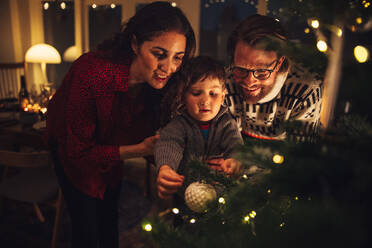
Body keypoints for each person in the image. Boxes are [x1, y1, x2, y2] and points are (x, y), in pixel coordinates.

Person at [44, 2, 195, 248]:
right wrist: (138, 150)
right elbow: (78, 152)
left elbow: (155, 141)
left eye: (177, 58)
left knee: (108, 220)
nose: (168, 68)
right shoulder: (91, 72)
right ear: (135, 44)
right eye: (159, 54)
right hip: (72, 154)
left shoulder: (163, 86)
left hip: (111, 156)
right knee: (86, 231)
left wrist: (172, 165)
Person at [155, 56, 243, 200]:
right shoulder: (179, 125)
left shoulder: (227, 124)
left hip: (220, 195)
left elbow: (236, 146)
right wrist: (166, 168)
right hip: (186, 195)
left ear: (222, 97)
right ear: (183, 96)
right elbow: (169, 143)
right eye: (196, 93)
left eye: (213, 94)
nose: (205, 101)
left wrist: (234, 161)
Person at [225, 14, 323, 141]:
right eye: (241, 69)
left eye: (261, 71)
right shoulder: (223, 82)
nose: (249, 82)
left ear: (279, 62)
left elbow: (301, 155)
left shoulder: (305, 90)